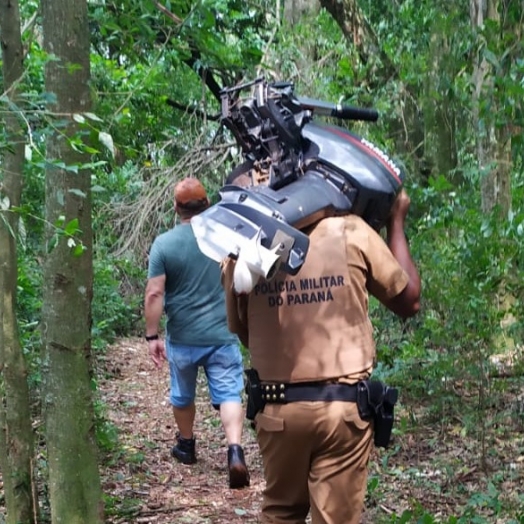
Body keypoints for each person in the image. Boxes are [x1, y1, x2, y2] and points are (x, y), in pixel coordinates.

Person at [221, 189, 421, 522]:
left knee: (281, 511)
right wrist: (396, 221)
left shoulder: (242, 243)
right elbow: (408, 300)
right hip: (342, 411)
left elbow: (243, 332)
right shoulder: (351, 230)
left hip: (277, 411)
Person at [144, 177, 250, 489]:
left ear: (176, 208)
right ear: (207, 205)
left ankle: (187, 445)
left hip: (183, 336)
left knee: (182, 393)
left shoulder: (164, 244)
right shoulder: (226, 238)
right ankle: (234, 450)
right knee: (230, 392)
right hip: (223, 334)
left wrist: (152, 337)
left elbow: (154, 293)